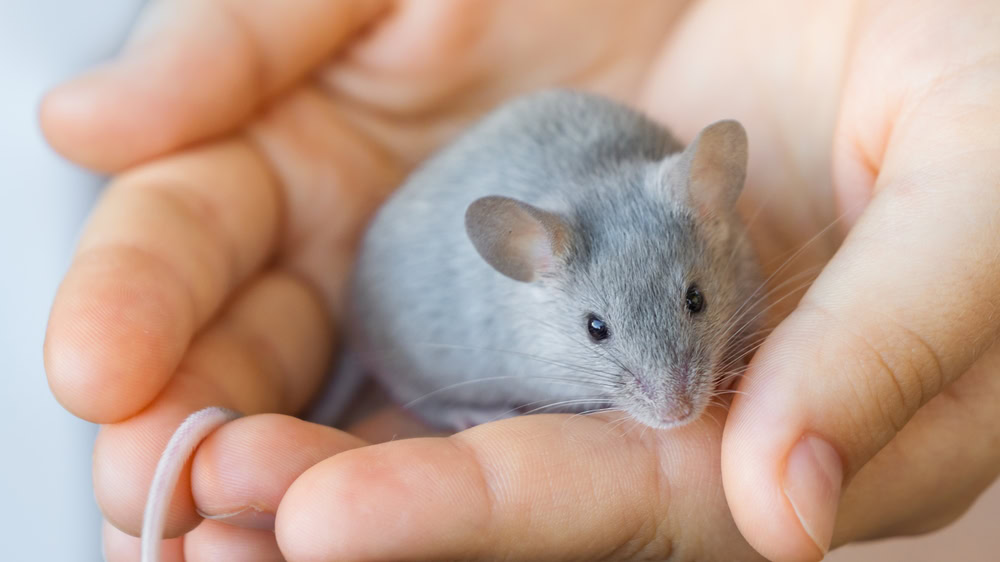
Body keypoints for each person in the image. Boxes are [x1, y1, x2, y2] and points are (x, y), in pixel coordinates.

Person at [41, 1, 1000, 560]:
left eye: (696, 306)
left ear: (712, 204)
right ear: (531, 262)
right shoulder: (533, 262)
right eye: (599, 336)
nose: (672, 398)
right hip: (394, 308)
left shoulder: (695, 208)